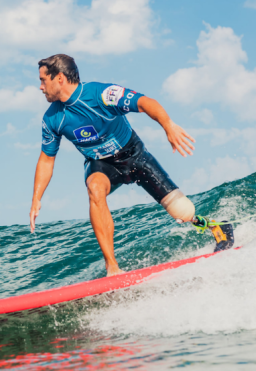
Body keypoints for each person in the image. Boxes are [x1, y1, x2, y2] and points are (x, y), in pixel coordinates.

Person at [29, 54, 233, 276]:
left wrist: (168, 125)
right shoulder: (52, 119)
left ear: (59, 78)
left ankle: (216, 226)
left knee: (183, 212)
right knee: (95, 188)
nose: (40, 87)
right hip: (102, 165)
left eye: (43, 80)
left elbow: (145, 103)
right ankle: (112, 267)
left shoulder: (101, 94)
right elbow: (47, 159)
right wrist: (36, 198)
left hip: (134, 155)